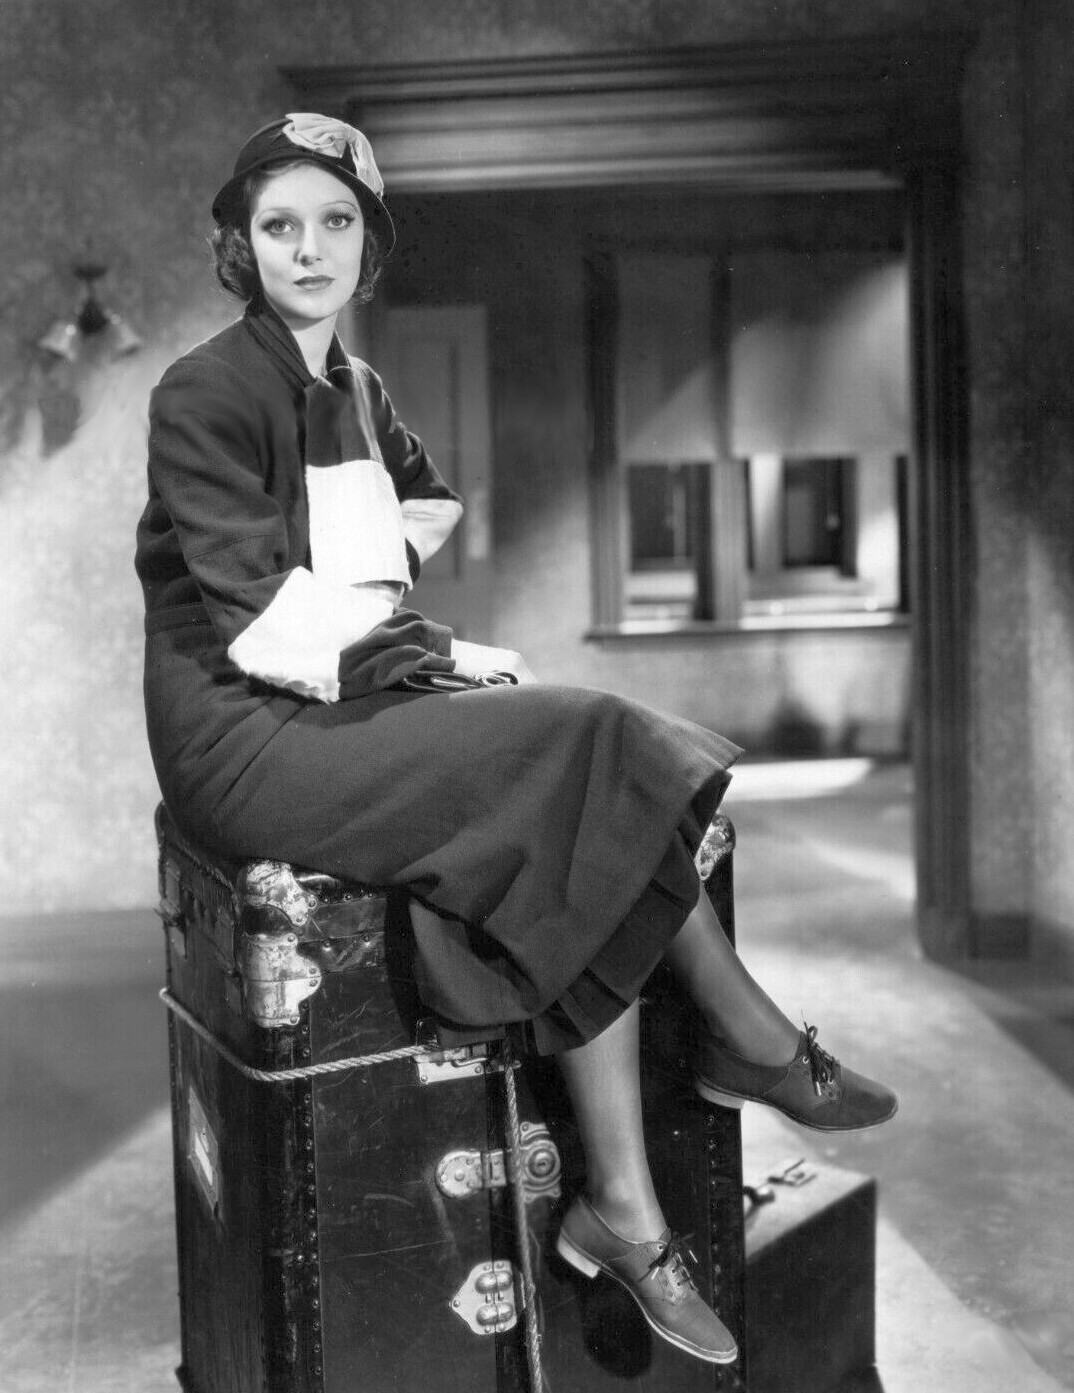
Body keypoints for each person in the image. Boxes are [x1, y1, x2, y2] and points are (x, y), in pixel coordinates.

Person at [136, 113, 897, 1366]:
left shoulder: (357, 391)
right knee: (584, 735)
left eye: (336, 222)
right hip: (242, 732)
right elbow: (264, 621)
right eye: (279, 226)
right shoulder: (203, 389)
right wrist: (427, 652)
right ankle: (745, 1045)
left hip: (329, 699)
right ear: (242, 245)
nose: (309, 250)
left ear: (369, 245)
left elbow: (424, 505)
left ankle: (630, 1202)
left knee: (574, 777)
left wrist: (400, 619)